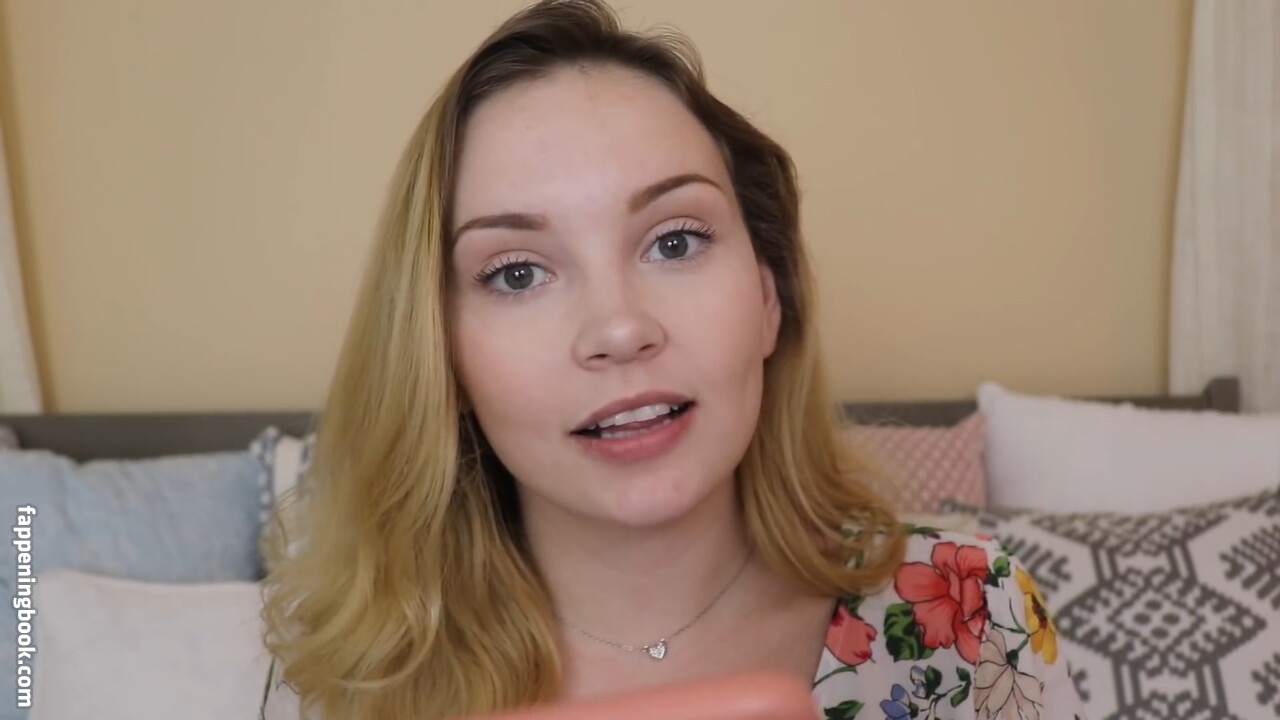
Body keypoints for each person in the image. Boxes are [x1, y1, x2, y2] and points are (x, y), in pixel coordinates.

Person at [259, 1, 1087, 718]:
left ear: (769, 298)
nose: (620, 328)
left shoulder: (975, 613)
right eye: (516, 273)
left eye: (675, 241)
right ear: (442, 358)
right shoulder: (346, 674)